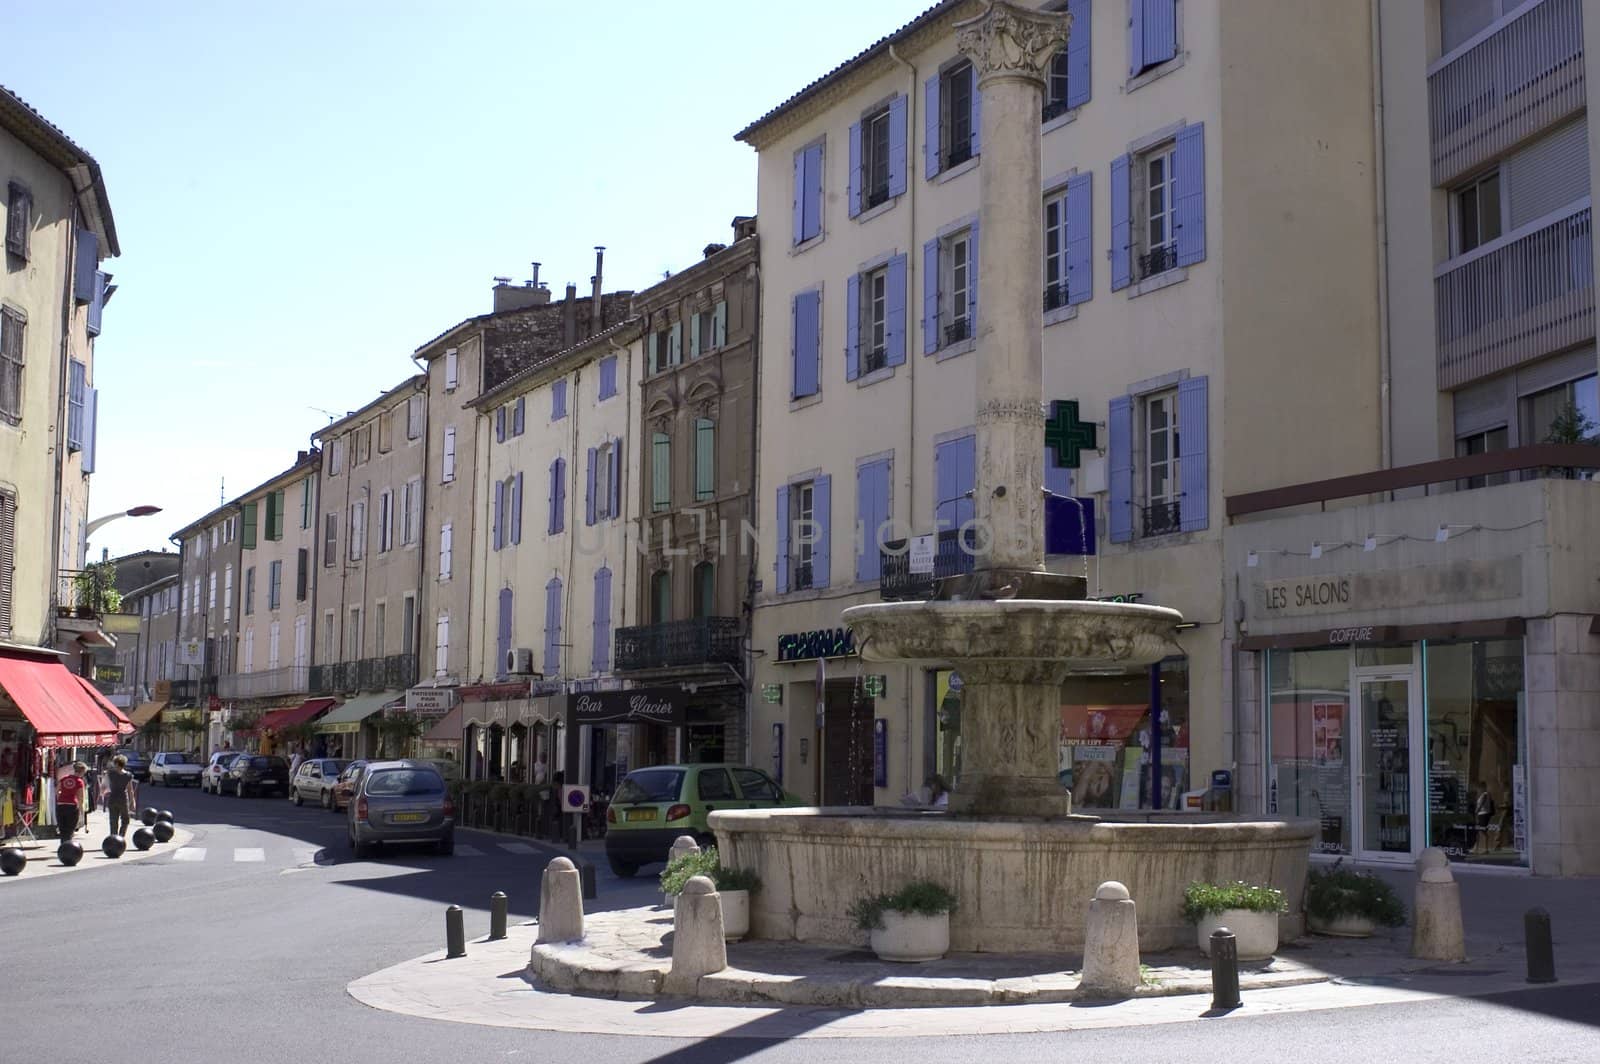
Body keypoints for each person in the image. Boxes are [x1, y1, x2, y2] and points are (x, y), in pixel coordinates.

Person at [104, 754, 136, 838]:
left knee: (113, 820)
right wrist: (133, 802)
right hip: (123, 799)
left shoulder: (111, 773)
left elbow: (104, 785)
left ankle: (113, 838)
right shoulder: (128, 775)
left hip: (112, 798)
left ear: (117, 764)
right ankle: (121, 837)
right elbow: (130, 790)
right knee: (125, 819)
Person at [55, 762, 87, 838]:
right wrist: (81, 810)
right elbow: (81, 797)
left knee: (62, 829)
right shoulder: (79, 781)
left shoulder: (64, 779)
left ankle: (63, 846)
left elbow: (57, 791)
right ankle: (68, 847)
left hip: (61, 805)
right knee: (70, 830)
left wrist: (60, 798)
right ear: (82, 771)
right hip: (72, 806)